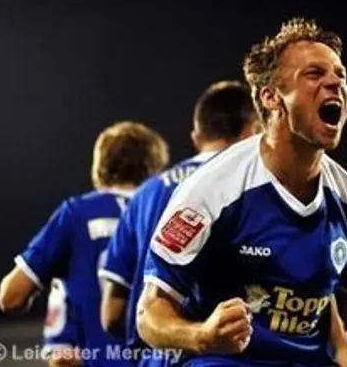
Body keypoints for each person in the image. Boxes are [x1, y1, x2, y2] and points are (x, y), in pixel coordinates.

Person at [135, 18, 347, 366]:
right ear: (270, 97)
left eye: (340, 75)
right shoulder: (212, 189)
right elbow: (148, 315)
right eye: (314, 74)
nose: (334, 83)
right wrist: (202, 335)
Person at [98, 81, 260, 366]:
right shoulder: (256, 190)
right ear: (254, 130)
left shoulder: (146, 192)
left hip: (153, 356)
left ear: (197, 136)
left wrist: (162, 332)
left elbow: (112, 314)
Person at [0, 121, 169, 367]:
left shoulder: (76, 213)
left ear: (100, 166)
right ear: (155, 168)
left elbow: (10, 297)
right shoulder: (168, 213)